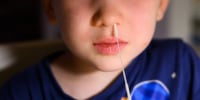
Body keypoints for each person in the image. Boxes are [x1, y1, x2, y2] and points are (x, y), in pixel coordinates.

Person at [0, 0, 200, 99]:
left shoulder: (182, 66)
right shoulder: (21, 94)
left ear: (161, 5)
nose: (109, 16)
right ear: (51, 7)